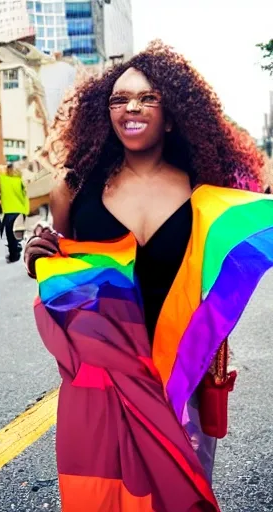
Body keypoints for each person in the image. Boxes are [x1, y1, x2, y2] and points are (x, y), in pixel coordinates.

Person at [25, 40, 273, 511]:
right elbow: (65, 276)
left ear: (173, 113)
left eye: (147, 97)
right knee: (104, 497)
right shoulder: (73, 188)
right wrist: (38, 257)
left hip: (183, 371)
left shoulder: (206, 191)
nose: (131, 108)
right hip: (103, 379)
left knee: (183, 493)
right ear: (105, 112)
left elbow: (232, 261)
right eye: (119, 99)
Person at [0, 162, 30, 263]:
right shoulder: (20, 179)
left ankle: (14, 254)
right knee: (17, 233)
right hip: (20, 209)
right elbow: (26, 195)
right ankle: (18, 249)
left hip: (9, 211)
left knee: (10, 234)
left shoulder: (3, 178)